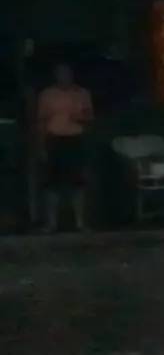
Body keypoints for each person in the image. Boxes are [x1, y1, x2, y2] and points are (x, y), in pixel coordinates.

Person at [37, 62, 93, 232]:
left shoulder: (82, 93)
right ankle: (51, 223)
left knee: (78, 183)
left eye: (67, 73)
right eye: (60, 73)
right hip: (54, 139)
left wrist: (80, 118)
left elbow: (90, 118)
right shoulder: (47, 95)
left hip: (75, 139)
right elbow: (41, 122)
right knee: (51, 184)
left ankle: (80, 223)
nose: (64, 77)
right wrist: (41, 146)